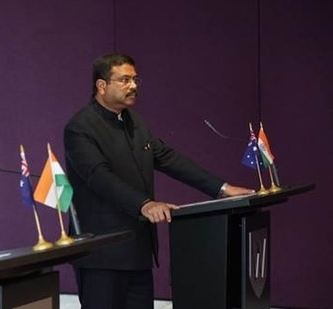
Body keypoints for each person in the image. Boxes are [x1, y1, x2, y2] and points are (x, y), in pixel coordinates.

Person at [63, 53, 255, 309]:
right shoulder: (80, 127)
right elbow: (99, 177)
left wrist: (222, 189)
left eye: (134, 79)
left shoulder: (135, 122)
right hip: (101, 255)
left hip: (138, 252)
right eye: (124, 80)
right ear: (102, 85)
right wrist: (144, 204)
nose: (133, 85)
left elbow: (168, 158)